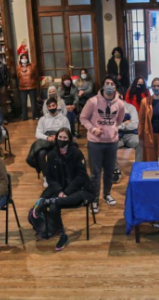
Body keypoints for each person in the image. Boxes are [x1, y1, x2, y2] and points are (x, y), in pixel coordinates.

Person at [36, 127, 94, 251]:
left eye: (65, 138)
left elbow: (81, 176)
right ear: (56, 138)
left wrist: (67, 192)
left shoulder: (77, 153)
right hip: (60, 191)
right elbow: (50, 177)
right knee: (53, 206)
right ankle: (62, 234)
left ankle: (49, 201)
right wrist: (60, 191)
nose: (62, 140)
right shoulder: (51, 154)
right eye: (60, 137)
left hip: (80, 189)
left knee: (59, 200)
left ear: (69, 139)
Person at [79, 75, 125, 212]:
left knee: (110, 171)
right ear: (103, 85)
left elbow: (120, 120)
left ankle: (107, 194)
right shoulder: (93, 102)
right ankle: (94, 199)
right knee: (95, 173)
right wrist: (93, 129)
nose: (109, 85)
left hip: (111, 142)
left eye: (112, 83)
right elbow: (83, 117)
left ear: (115, 87)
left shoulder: (120, 104)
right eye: (107, 83)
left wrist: (112, 130)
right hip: (95, 142)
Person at [35, 98, 70, 184]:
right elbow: (38, 134)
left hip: (60, 141)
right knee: (41, 154)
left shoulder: (64, 119)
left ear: (56, 106)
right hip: (47, 141)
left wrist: (58, 137)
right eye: (49, 106)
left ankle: (64, 175)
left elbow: (69, 132)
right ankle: (46, 176)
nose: (51, 107)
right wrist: (47, 138)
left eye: (53, 105)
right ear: (47, 107)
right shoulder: (42, 119)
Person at [113, 97, 139, 183]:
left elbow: (134, 125)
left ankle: (139, 168)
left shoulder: (131, 108)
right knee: (109, 144)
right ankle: (115, 170)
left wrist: (118, 126)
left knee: (140, 143)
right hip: (115, 135)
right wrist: (124, 124)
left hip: (130, 134)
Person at [17, 53, 38, 121]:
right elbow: (18, 77)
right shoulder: (18, 67)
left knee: (33, 102)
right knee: (23, 103)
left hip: (32, 86)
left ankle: (35, 115)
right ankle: (24, 117)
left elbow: (36, 75)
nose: (24, 59)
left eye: (25, 58)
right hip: (22, 87)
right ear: (20, 59)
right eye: (22, 58)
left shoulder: (32, 66)